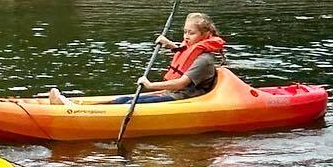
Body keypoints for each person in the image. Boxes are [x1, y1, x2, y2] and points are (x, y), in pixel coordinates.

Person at [47, 13, 227, 106]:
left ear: (205, 35)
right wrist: (168, 44)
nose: (186, 36)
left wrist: (150, 86)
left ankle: (76, 111)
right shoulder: (191, 47)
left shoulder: (204, 60)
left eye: (191, 33)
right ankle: (74, 104)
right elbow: (181, 48)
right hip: (173, 94)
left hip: (185, 98)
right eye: (185, 32)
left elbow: (180, 83)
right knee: (122, 100)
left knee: (129, 103)